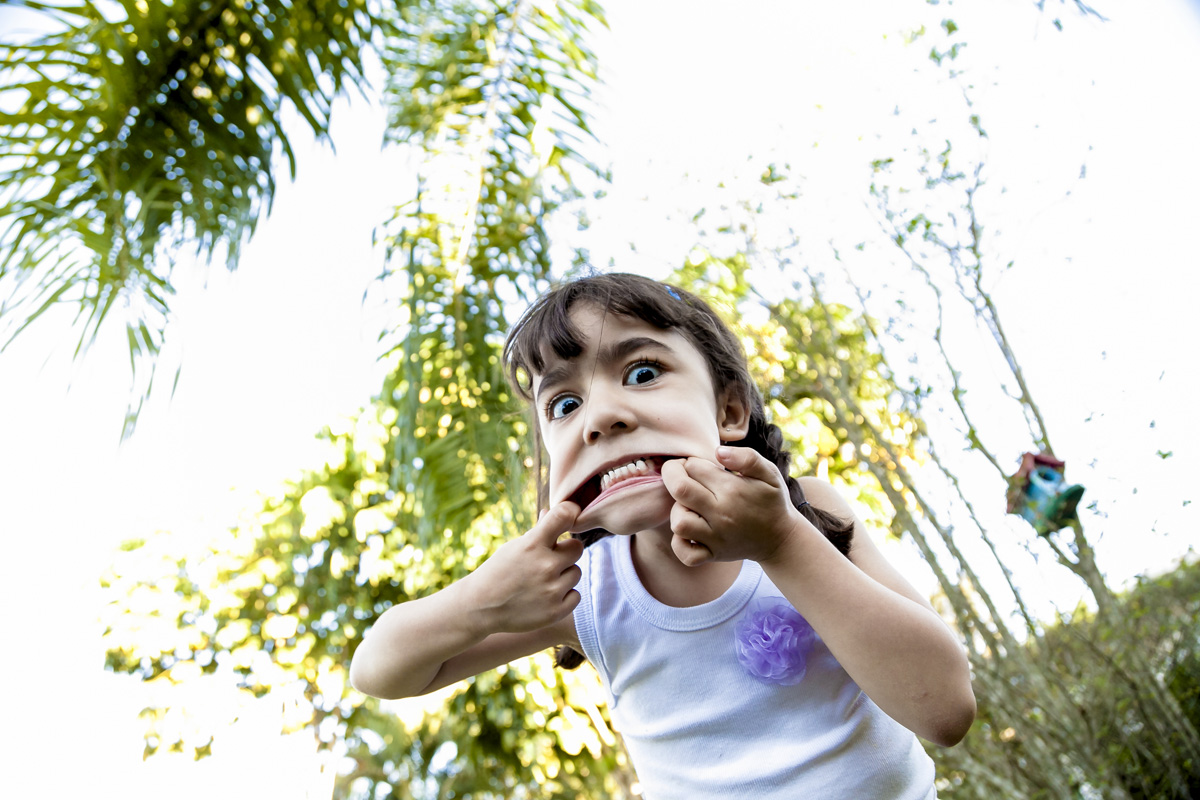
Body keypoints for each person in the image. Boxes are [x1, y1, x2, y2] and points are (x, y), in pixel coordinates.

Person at [349, 272, 976, 798]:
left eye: (643, 372)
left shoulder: (808, 511)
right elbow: (379, 672)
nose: (600, 416)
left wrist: (782, 544)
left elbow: (944, 710)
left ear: (729, 411)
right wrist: (478, 602)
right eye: (563, 405)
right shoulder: (586, 592)